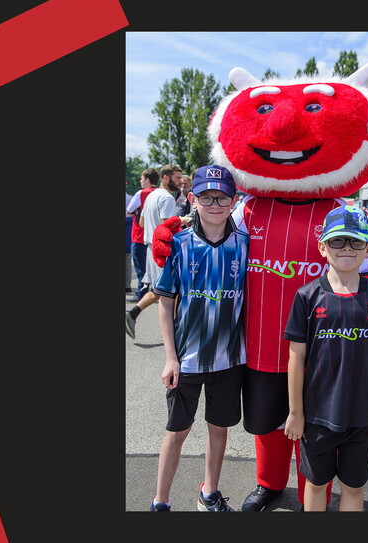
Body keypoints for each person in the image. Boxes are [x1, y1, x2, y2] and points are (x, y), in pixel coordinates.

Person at [150, 62, 368, 512]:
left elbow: (364, 270)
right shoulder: (248, 209)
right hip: (257, 343)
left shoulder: (338, 213)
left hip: (323, 347)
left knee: (314, 424)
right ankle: (269, 483)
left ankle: (316, 489)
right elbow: (210, 230)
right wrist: (173, 234)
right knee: (268, 423)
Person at [283, 205, 368, 512]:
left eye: (356, 241)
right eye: (337, 240)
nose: (347, 248)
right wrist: (296, 413)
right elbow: (296, 359)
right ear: (323, 247)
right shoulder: (307, 296)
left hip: (362, 416)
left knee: (353, 488)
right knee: (316, 484)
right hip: (317, 416)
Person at [149, 164, 248, 512]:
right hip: (187, 360)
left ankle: (209, 493)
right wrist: (170, 358)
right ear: (192, 199)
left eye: (222, 197)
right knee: (176, 432)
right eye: (206, 197)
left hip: (229, 359)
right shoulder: (178, 244)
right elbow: (165, 304)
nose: (215, 204)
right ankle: (161, 501)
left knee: (219, 430)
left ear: (234, 200)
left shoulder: (245, 245)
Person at [125, 164, 181, 339]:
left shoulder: (151, 196)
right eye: (177, 178)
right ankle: (173, 333)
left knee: (161, 289)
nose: (180, 181)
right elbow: (166, 226)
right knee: (170, 292)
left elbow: (141, 222)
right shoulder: (167, 198)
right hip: (161, 249)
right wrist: (183, 222)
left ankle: (133, 314)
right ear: (166, 177)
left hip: (150, 247)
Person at [127, 169, 158, 300]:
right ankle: (155, 291)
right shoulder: (159, 193)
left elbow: (129, 210)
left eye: (141, 179)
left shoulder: (142, 193)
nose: (140, 181)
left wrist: (136, 213)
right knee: (153, 267)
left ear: (147, 180)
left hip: (139, 235)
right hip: (154, 235)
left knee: (141, 267)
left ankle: (141, 292)